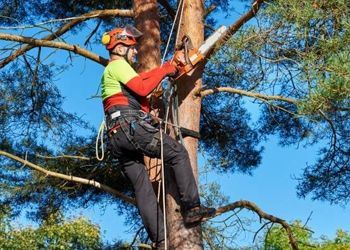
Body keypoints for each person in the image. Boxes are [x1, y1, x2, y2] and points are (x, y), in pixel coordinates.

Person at [100, 25, 215, 249]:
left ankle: (160, 240)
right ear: (121, 48)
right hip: (128, 127)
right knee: (177, 153)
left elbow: (134, 95)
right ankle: (192, 209)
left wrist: (147, 113)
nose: (135, 52)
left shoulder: (114, 74)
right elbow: (142, 87)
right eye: (132, 48)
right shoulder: (118, 66)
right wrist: (166, 68)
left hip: (117, 136)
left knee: (142, 186)